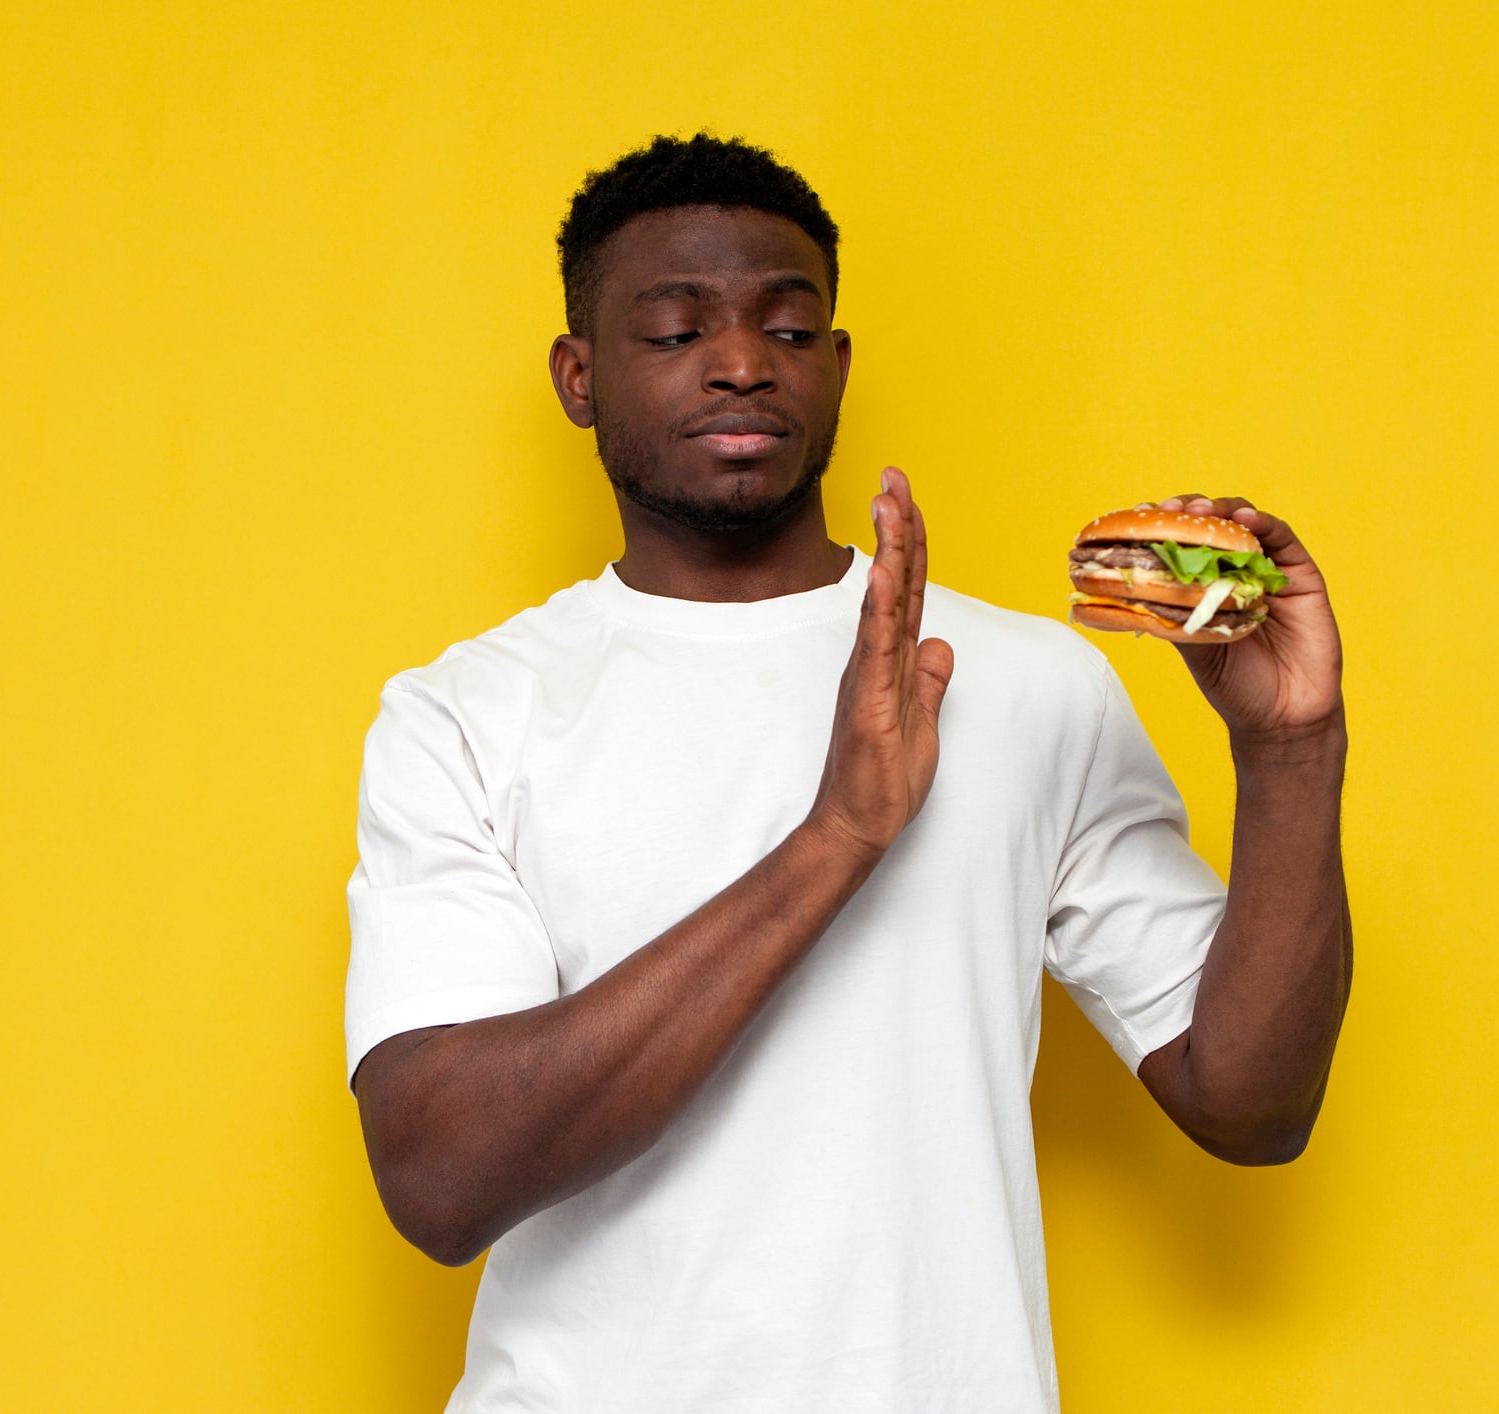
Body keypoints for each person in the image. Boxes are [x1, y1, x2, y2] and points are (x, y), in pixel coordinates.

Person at [344, 133, 1351, 1413]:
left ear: (838, 363)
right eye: (673, 330)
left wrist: (1290, 748)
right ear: (579, 375)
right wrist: (840, 835)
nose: (743, 361)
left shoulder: (1032, 682)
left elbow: (1250, 1104)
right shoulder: (468, 714)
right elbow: (439, 1178)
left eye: (790, 325)